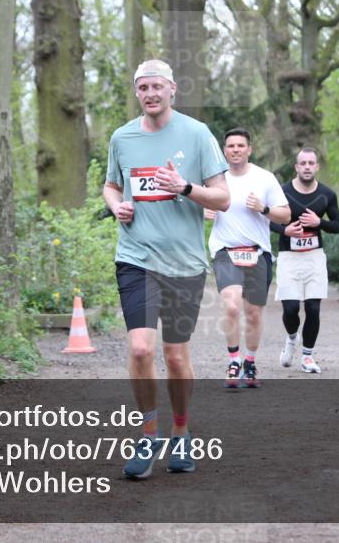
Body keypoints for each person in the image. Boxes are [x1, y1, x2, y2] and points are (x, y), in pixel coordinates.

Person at [103, 59, 230, 479]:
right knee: (141, 348)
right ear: (137, 92)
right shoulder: (122, 137)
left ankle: (181, 431)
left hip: (184, 263)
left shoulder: (196, 135)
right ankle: (147, 433)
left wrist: (186, 188)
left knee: (176, 357)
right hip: (136, 258)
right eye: (143, 88)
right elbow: (111, 184)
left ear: (172, 88)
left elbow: (223, 199)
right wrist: (115, 205)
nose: (151, 94)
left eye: (157, 86)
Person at [207, 128, 290, 389]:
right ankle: (234, 361)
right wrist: (204, 212)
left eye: (240, 145)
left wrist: (263, 209)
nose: (235, 150)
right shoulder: (214, 180)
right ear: (224, 150)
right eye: (230, 146)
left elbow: (285, 216)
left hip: (258, 252)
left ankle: (250, 362)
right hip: (225, 251)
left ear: (249, 149)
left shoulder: (264, 178)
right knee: (231, 306)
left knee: (253, 313)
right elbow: (196, 205)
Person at [271, 147, 339, 374]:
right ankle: (292, 338)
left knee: (313, 308)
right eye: (303, 163)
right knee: (291, 308)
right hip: (288, 257)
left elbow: (338, 225)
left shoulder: (327, 194)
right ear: (296, 167)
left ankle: (308, 356)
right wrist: (285, 231)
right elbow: (268, 220)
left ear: (317, 167)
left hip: (314, 258)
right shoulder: (281, 192)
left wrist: (318, 222)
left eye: (311, 163)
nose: (307, 167)